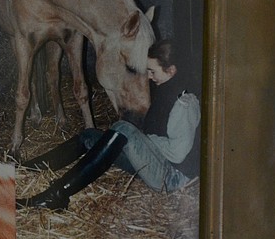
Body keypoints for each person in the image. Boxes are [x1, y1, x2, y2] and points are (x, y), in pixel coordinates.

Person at [18, 39, 201, 209]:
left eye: (153, 71)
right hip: (156, 163)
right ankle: (24, 169)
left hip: (171, 178)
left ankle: (56, 195)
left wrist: (143, 139)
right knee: (89, 136)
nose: (149, 76)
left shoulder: (185, 103)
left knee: (124, 129)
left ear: (171, 71)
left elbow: (177, 154)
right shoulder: (164, 89)